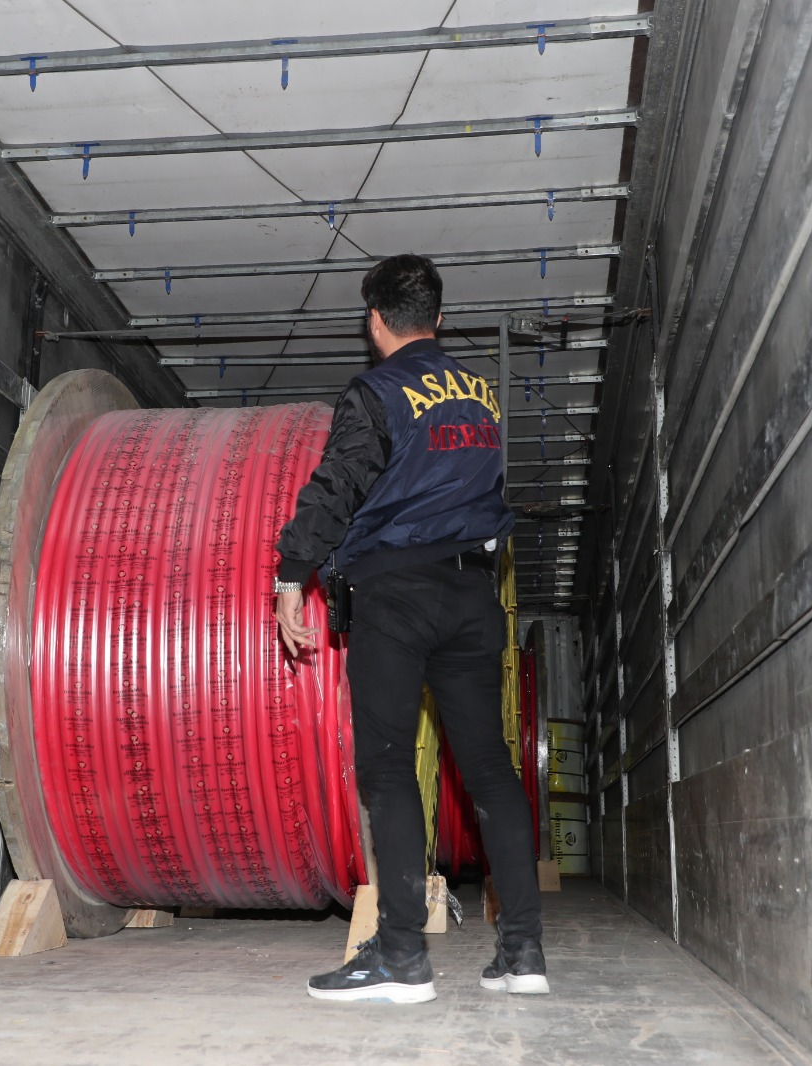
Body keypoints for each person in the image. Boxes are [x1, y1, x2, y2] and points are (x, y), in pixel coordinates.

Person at [274, 253, 547, 1003]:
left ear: (374, 322)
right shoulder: (483, 398)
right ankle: (523, 952)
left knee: (388, 767)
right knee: (489, 769)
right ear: (438, 317)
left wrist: (291, 574)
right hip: (471, 596)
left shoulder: (378, 392)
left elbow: (337, 487)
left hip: (395, 594)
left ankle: (401, 957)